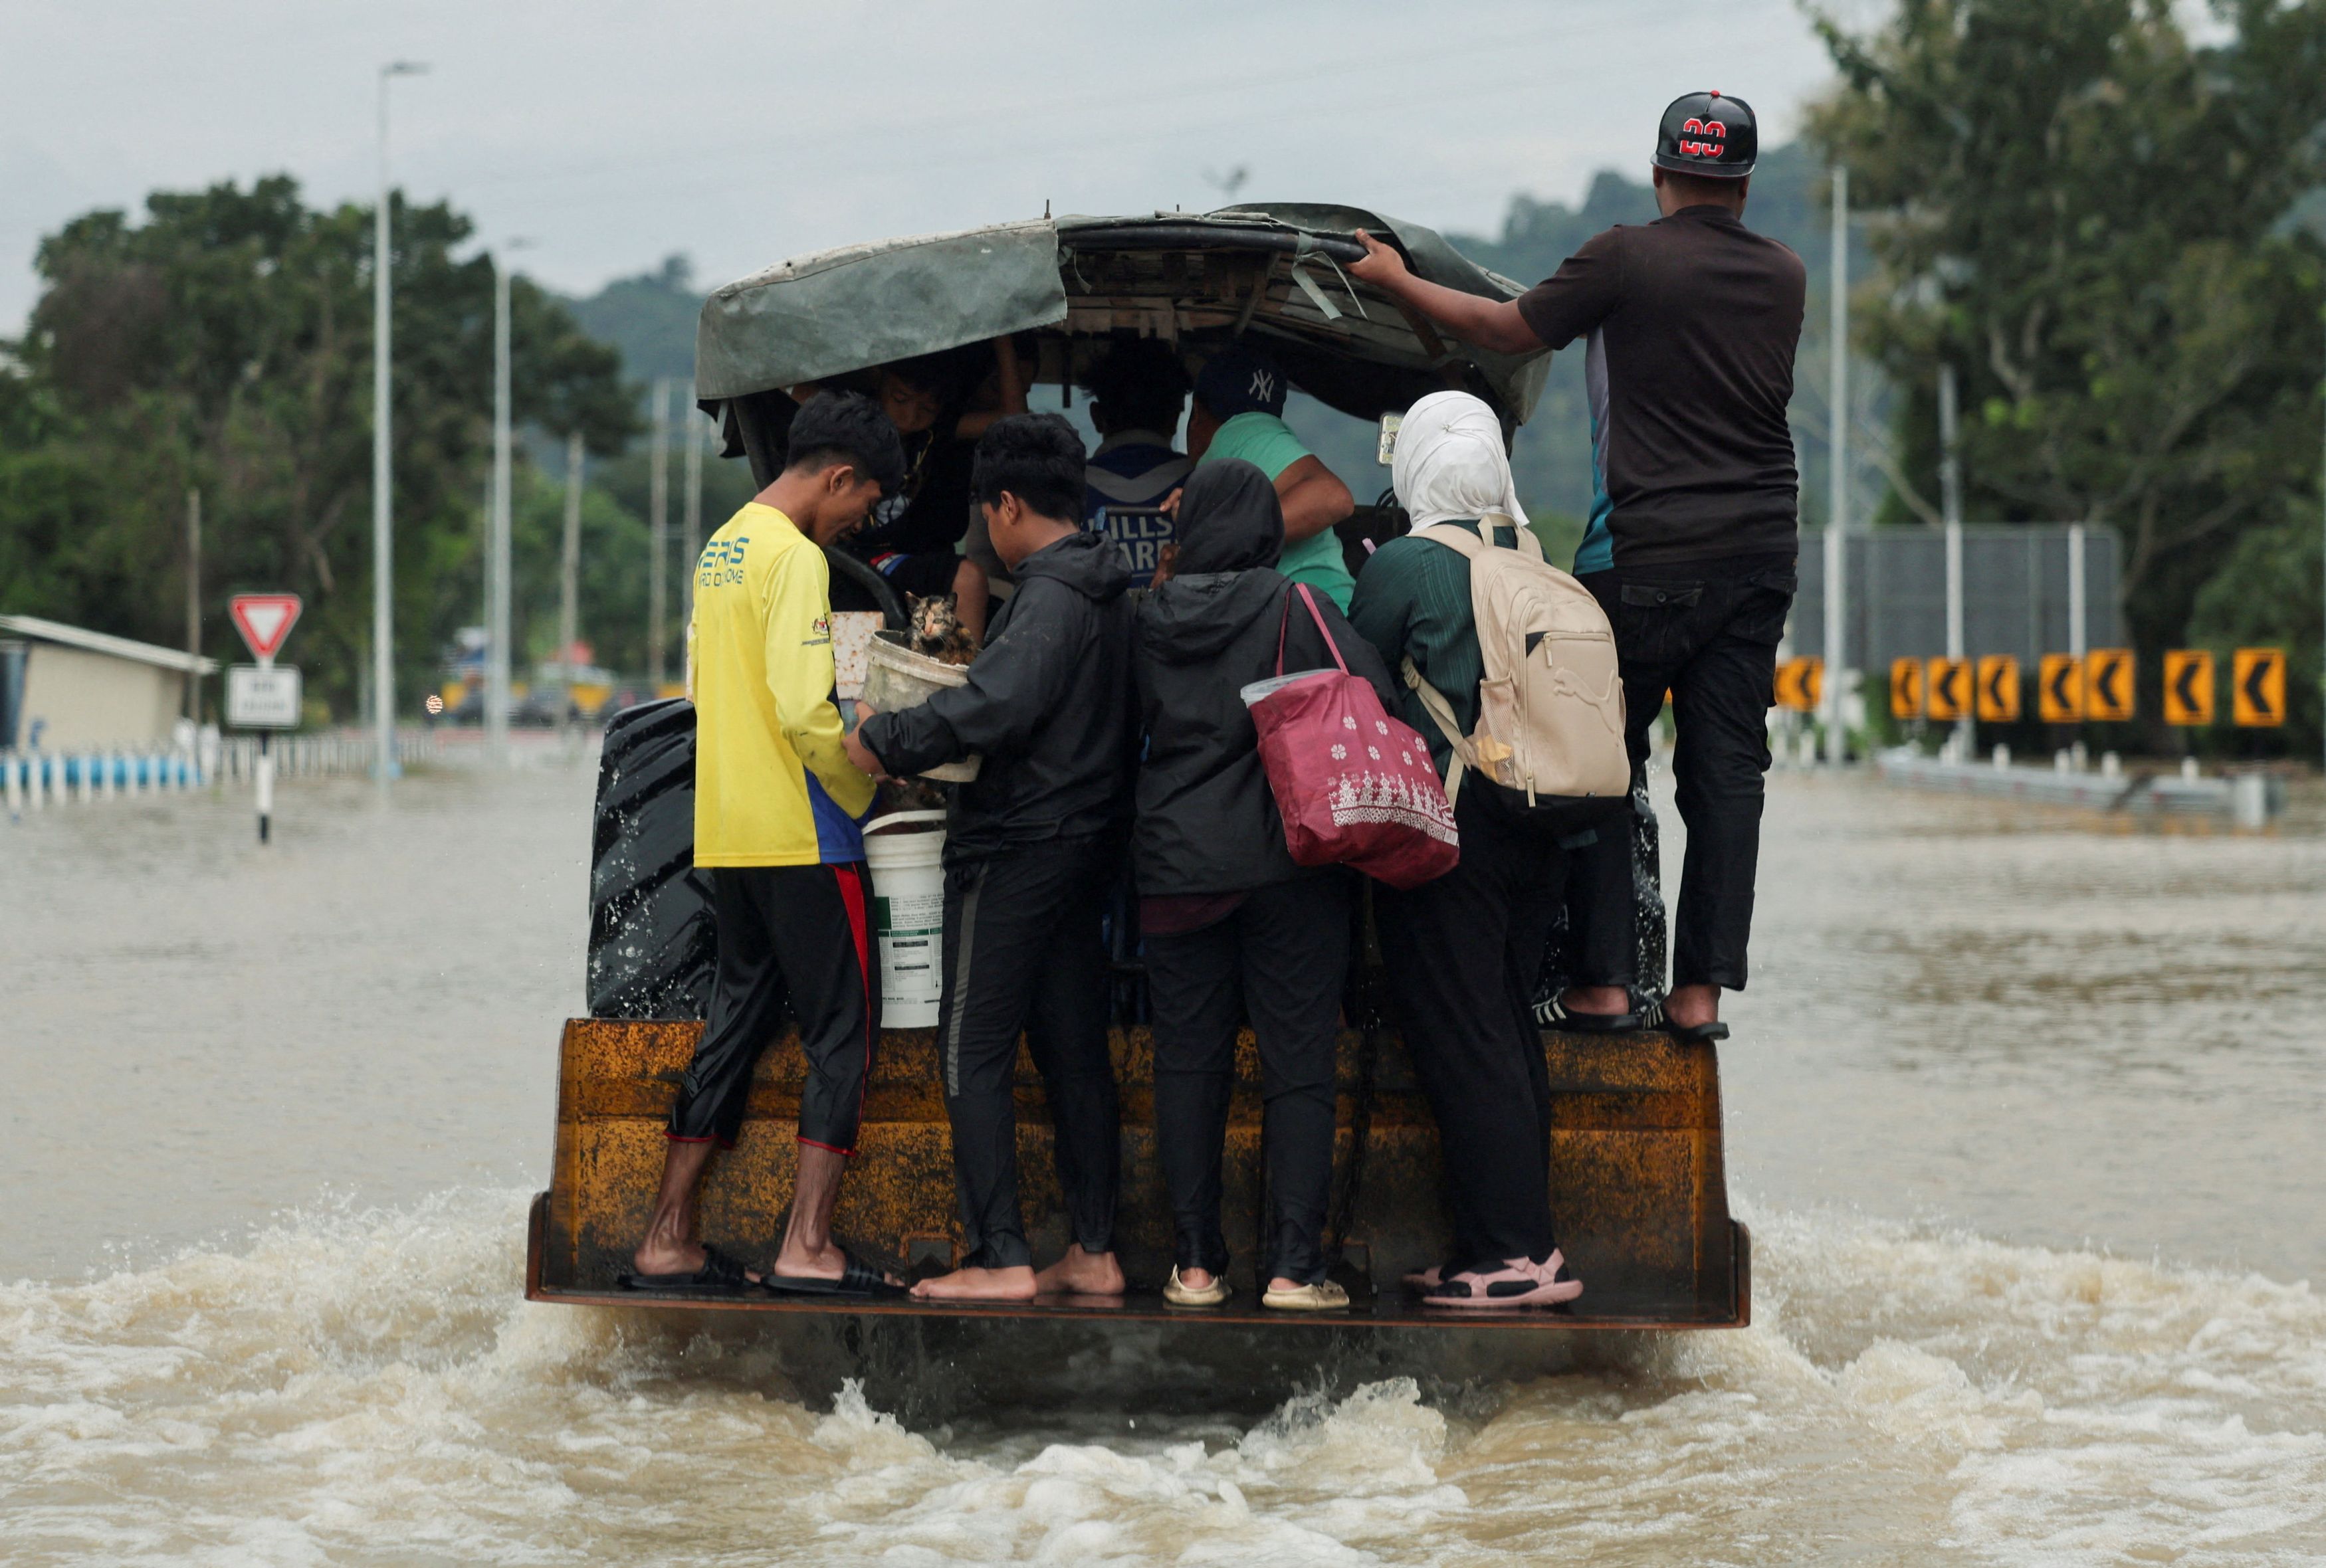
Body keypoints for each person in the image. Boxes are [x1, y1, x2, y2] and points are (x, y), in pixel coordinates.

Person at [1348, 90, 1805, 1042]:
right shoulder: (1787, 275)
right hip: (1761, 554)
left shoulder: (1624, 255)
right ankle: (1698, 995)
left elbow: (1507, 330)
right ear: (1746, 187)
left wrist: (1394, 281)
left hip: (1642, 557)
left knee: (1597, 760)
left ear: (1659, 173)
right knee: (1729, 778)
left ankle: (1600, 983)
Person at [623, 390, 907, 1299]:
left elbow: (708, 687)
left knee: (734, 1023)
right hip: (807, 833)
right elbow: (803, 707)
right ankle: (808, 1245)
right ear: (838, 476)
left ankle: (667, 1237)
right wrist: (870, 782)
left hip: (730, 831)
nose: (864, 519)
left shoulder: (724, 546)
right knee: (843, 1035)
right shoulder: (796, 561)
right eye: (865, 502)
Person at [846, 413, 1136, 1302]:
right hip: (1087, 848)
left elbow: (995, 708)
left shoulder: (1047, 598)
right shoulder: (1109, 590)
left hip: (1016, 850)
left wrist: (883, 738)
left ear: (1006, 506)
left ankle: (998, 1256)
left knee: (969, 1047)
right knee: (1073, 1053)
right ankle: (1093, 1249)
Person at [1346, 392, 1597, 1310]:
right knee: (1504, 1025)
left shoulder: (1407, 565)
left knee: (1467, 1036)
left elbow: (1358, 674)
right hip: (1540, 823)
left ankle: (1512, 1255)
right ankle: (1519, 1245)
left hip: (1453, 830)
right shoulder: (1532, 557)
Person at [1132, 459, 1396, 1313]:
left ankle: (1197, 1265)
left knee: (1187, 1064)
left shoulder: (1148, 616)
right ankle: (1290, 1268)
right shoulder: (1294, 605)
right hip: (1289, 863)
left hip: (1174, 867)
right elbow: (1375, 696)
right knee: (1296, 1067)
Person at [841, 339, 1030, 640]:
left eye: (927, 408)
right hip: (861, 554)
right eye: (901, 399)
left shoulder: (935, 431)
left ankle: (956, 676)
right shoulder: (853, 421)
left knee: (972, 583)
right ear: (880, 383)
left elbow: (1014, 419)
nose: (911, 416)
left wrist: (1004, 341)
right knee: (968, 577)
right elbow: (797, 390)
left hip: (903, 558)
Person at [1187, 343, 1358, 611]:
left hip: (1308, 628)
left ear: (1196, 412)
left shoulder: (1238, 430)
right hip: (1318, 622)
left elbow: (1335, 497)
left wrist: (1216, 542)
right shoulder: (1253, 450)